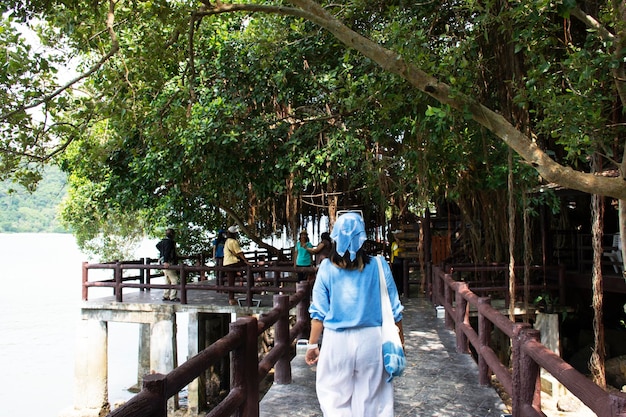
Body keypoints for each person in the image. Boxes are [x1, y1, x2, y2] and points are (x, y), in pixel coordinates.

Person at [305, 212, 404, 417]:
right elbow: (395, 311)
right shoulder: (379, 265)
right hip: (372, 342)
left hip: (336, 342)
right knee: (372, 401)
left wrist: (313, 345)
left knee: (334, 399)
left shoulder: (325, 268)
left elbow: (318, 314)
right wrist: (400, 343)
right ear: (362, 237)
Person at [223, 225, 251, 305]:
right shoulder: (233, 241)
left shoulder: (227, 241)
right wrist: (246, 261)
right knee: (249, 270)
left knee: (230, 281)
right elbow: (239, 253)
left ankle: (231, 299)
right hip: (233, 262)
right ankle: (250, 292)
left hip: (226, 263)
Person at [156, 228, 180, 302]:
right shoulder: (170, 242)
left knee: (167, 279)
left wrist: (162, 254)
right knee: (175, 279)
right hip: (168, 262)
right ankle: (173, 296)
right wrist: (166, 260)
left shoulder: (163, 241)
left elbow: (157, 245)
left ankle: (166, 295)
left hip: (162, 261)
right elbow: (167, 251)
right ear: (172, 235)